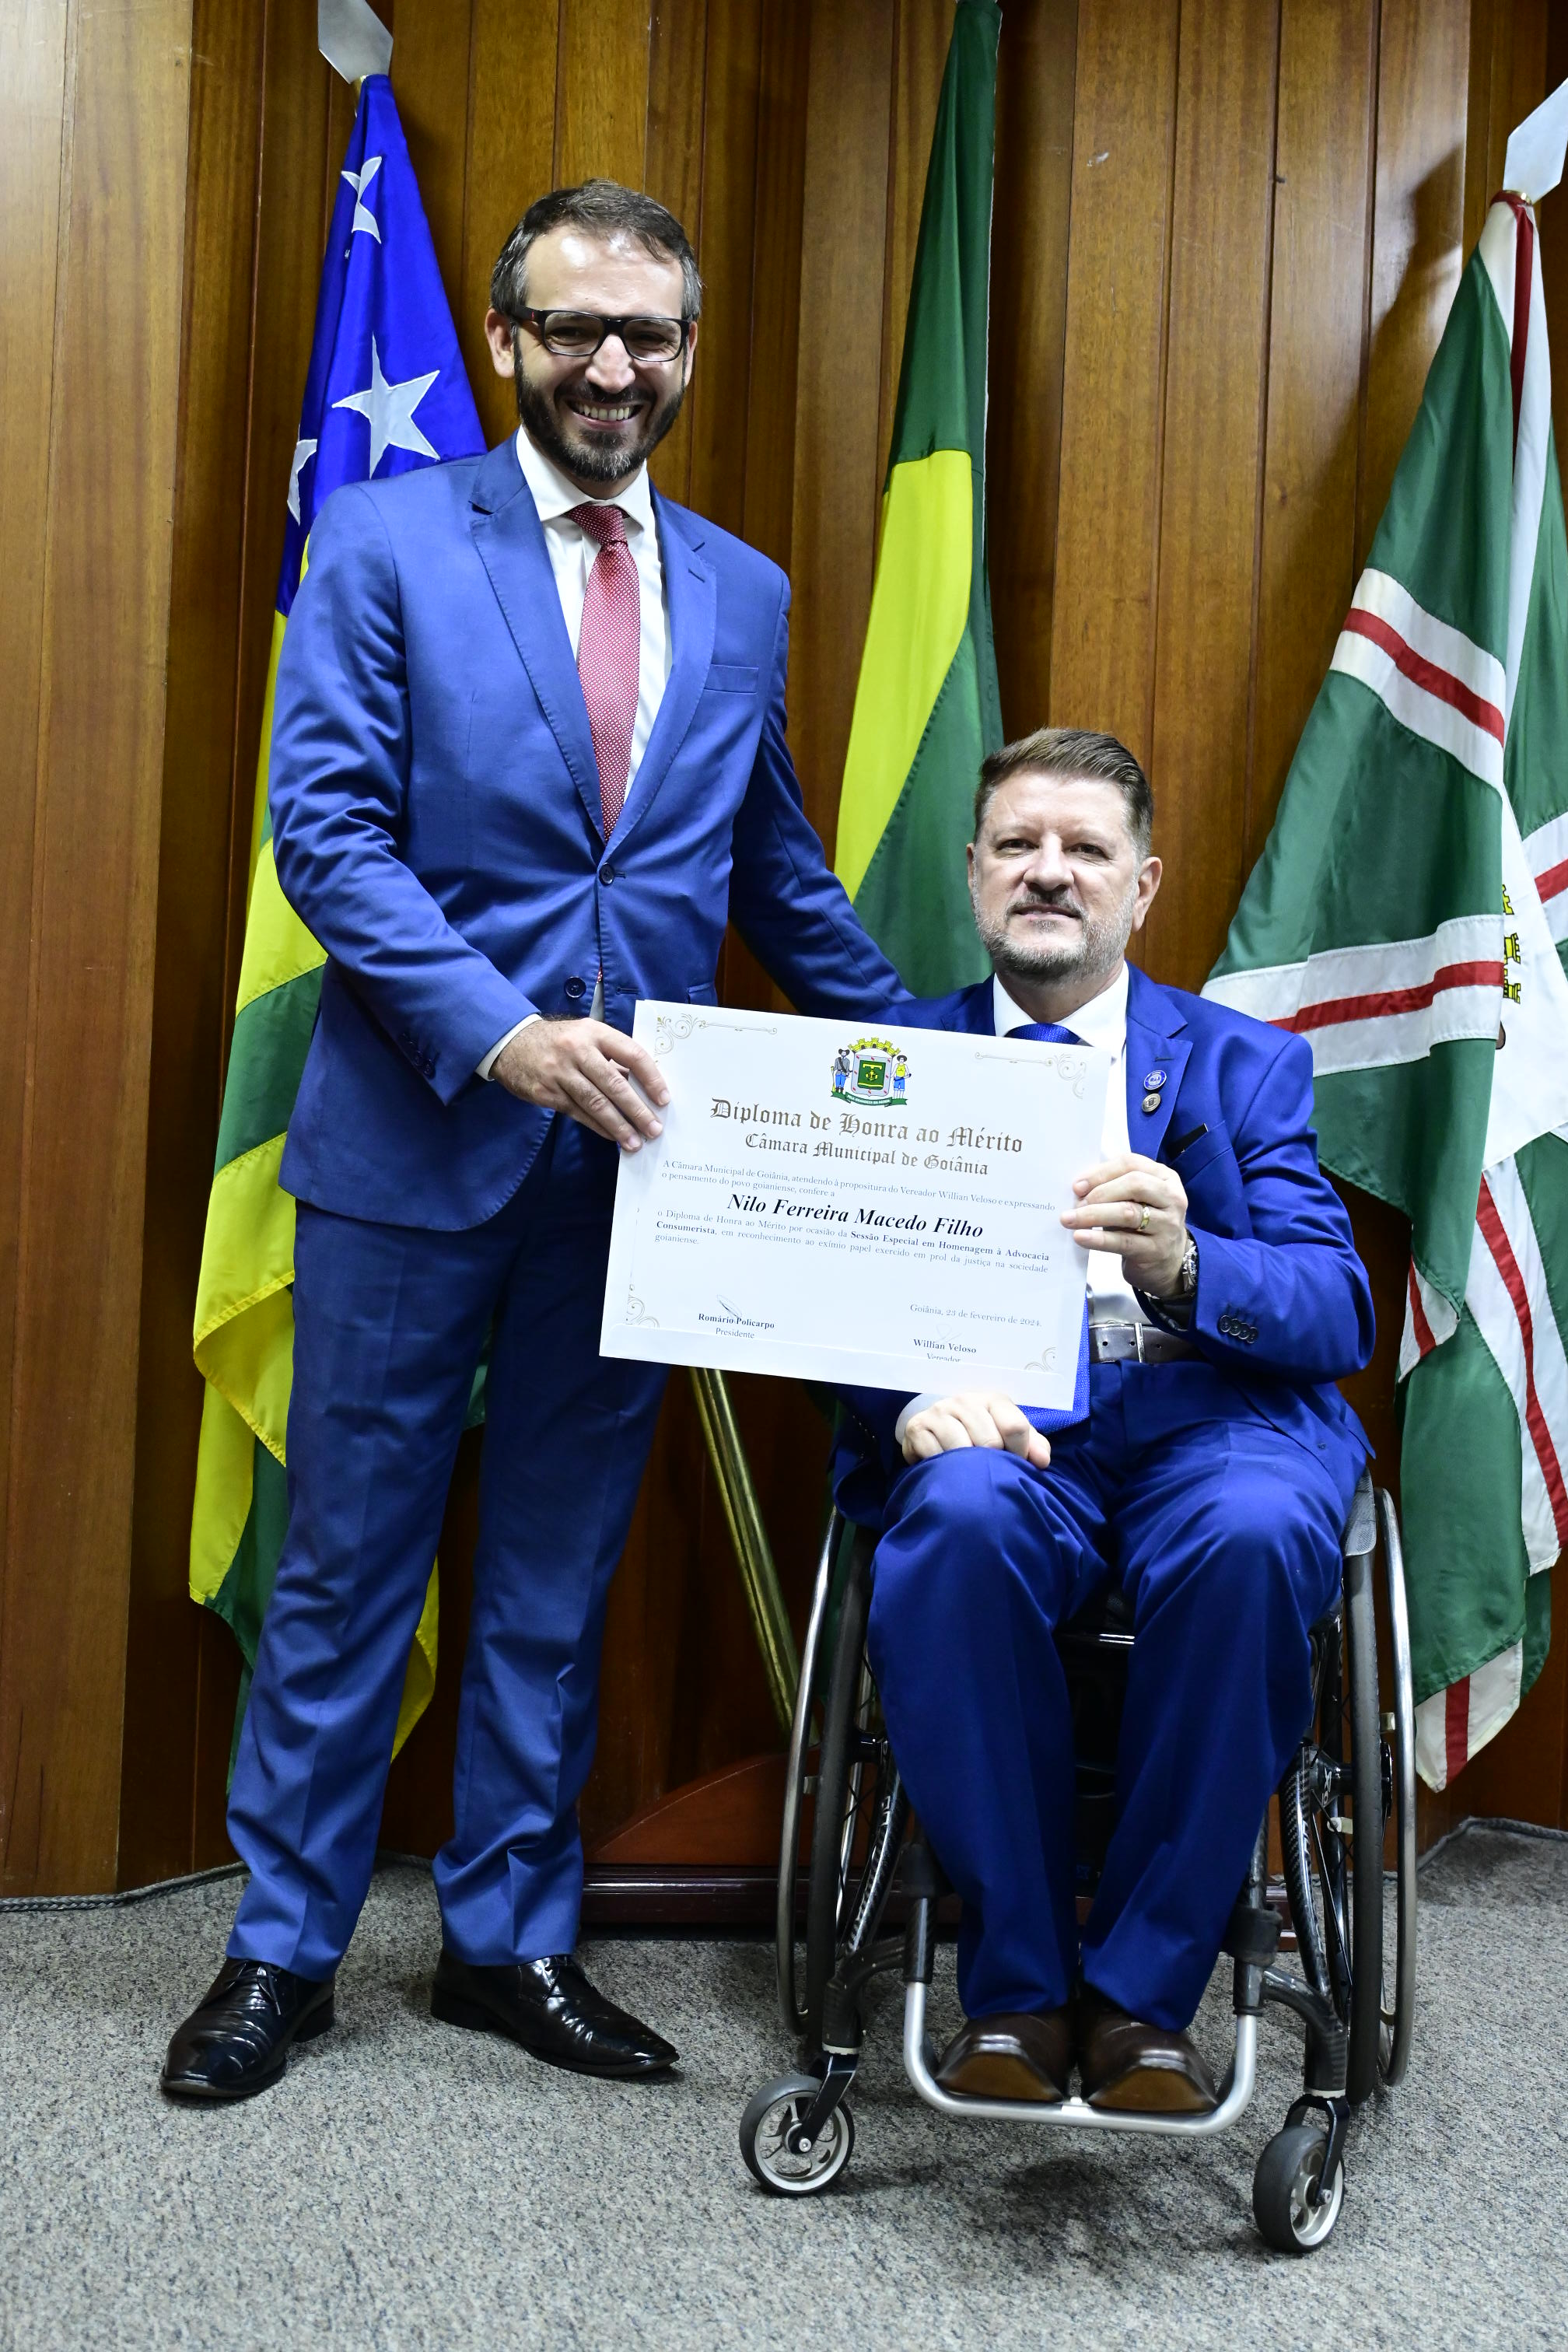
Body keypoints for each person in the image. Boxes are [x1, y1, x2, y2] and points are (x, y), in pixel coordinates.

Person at [162, 179, 909, 2103]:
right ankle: (281, 1949)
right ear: (507, 341)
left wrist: (976, 1072)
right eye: (574, 326)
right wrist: (503, 1037)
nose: (611, 364)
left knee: (557, 1581)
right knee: (347, 1567)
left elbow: (776, 879)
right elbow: (328, 837)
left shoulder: (743, 591)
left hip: (635, 1179)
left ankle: (509, 1939)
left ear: (687, 353)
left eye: (647, 333)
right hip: (412, 1149)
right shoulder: (389, 539)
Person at [835, 726, 1373, 2112]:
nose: (1050, 872)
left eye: (1086, 849)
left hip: (1216, 1430)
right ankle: (1015, 1990)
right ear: (973, 871)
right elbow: (820, 1293)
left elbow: (1335, 1310)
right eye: (1019, 844)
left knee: (1255, 1535)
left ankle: (1143, 2003)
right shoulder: (892, 1062)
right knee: (954, 1517)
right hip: (1011, 1430)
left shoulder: (1246, 1066)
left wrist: (1188, 1263)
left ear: (1143, 884)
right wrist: (907, 1397)